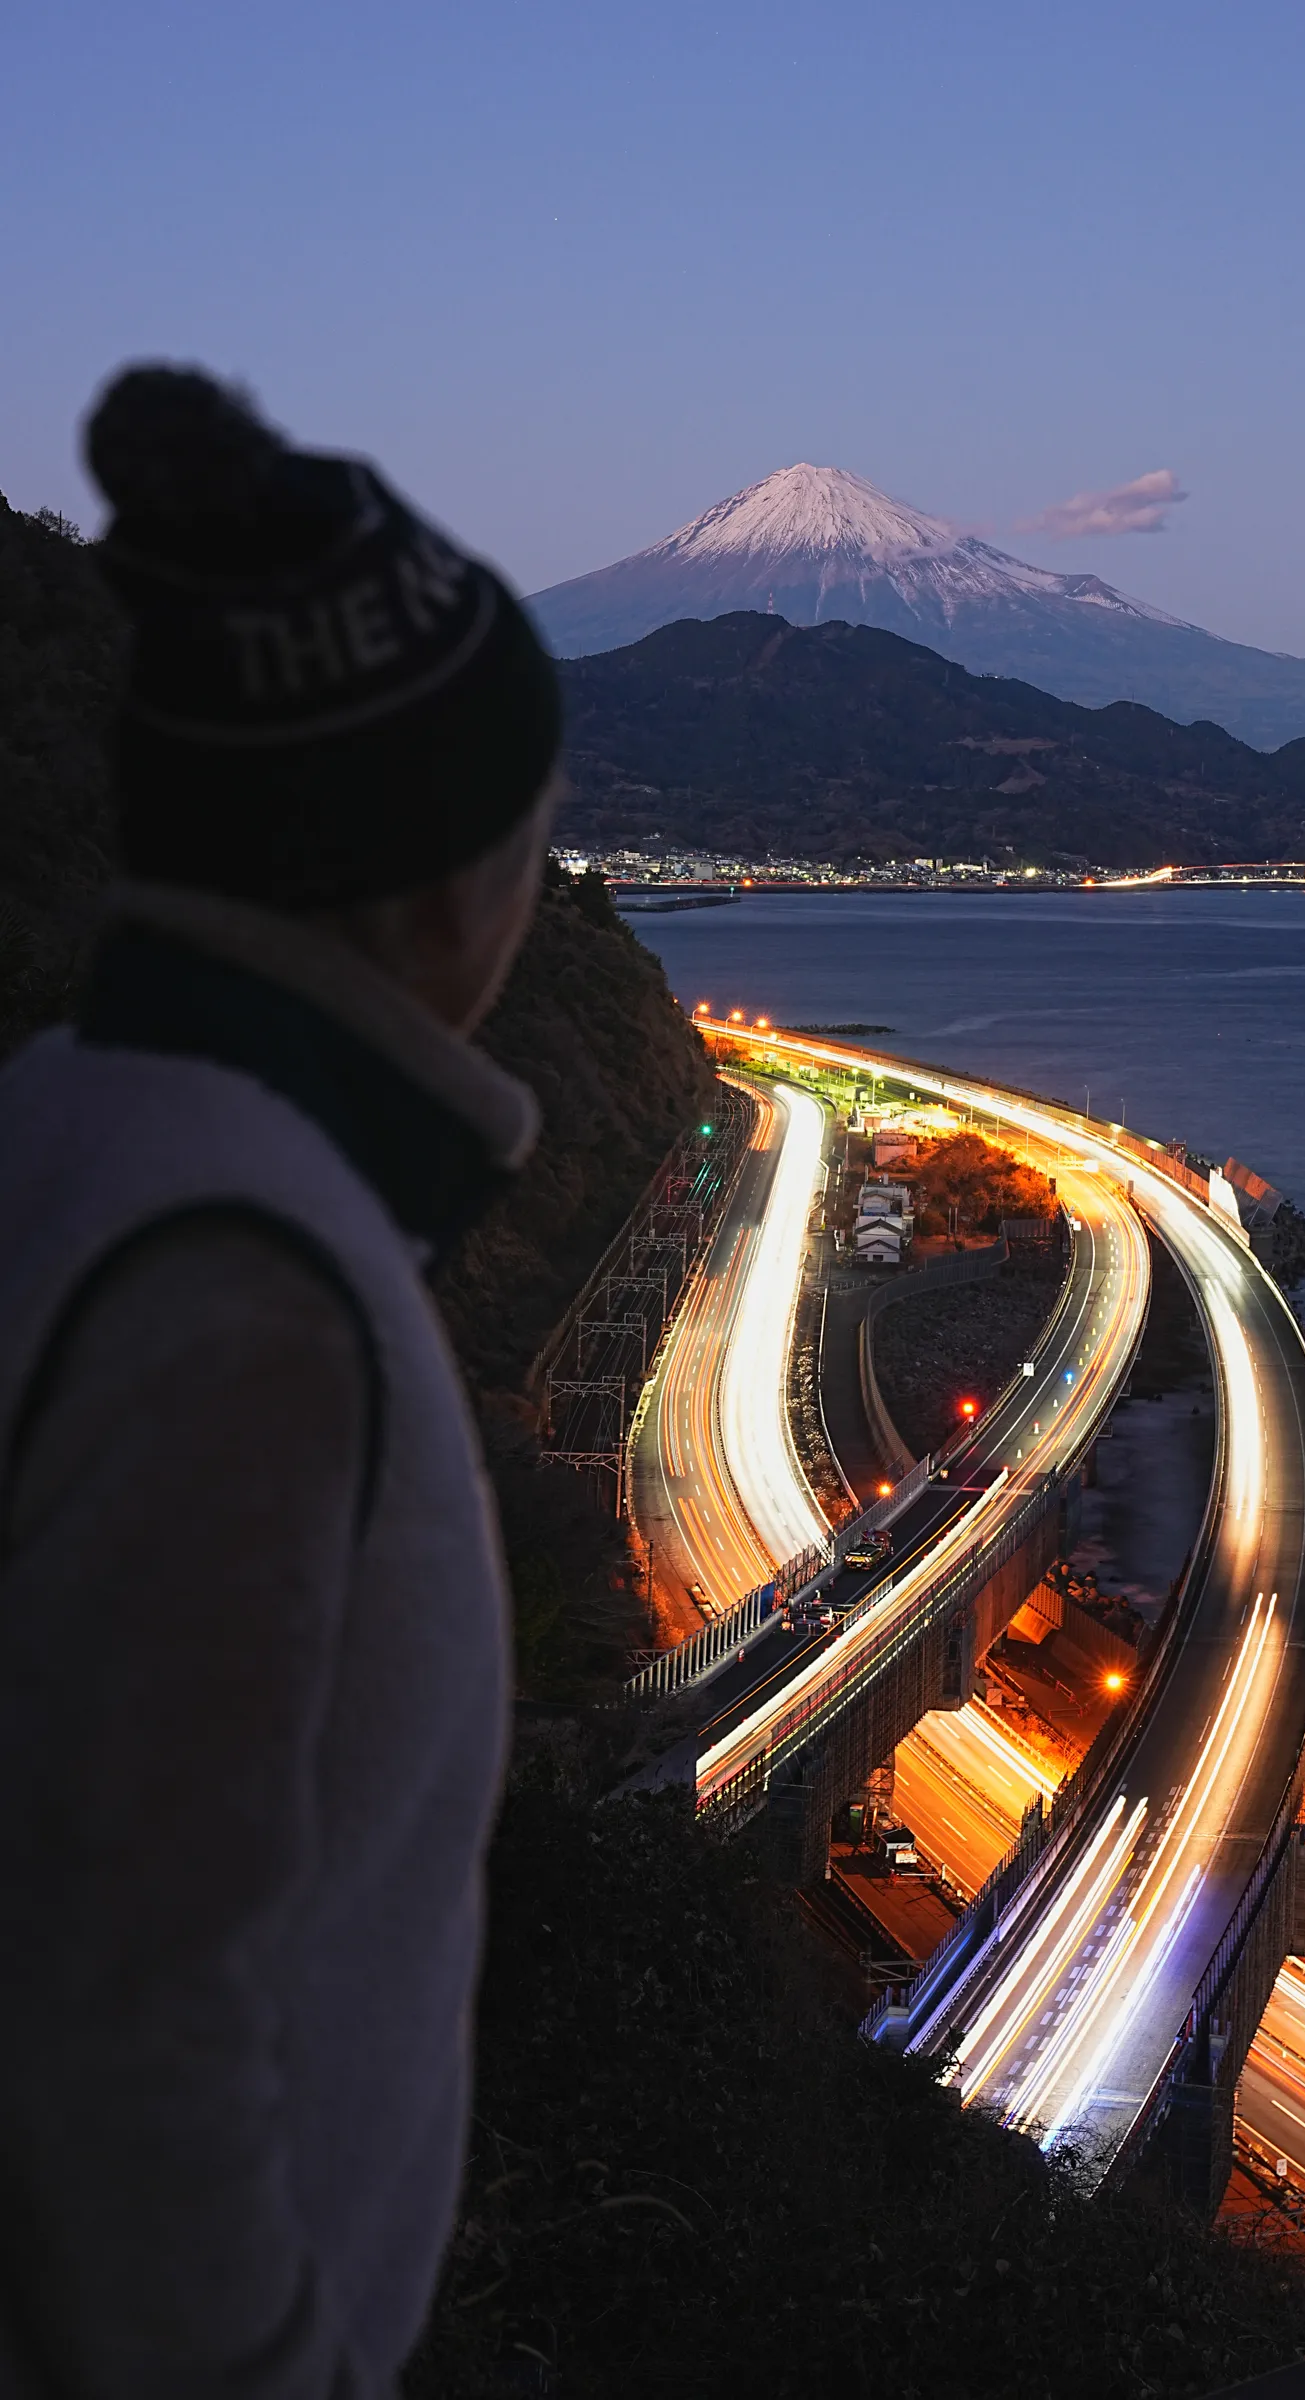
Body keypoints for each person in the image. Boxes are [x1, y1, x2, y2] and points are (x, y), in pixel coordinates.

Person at [0, 366, 564, 2396]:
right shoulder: (247, 1285)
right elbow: (119, 2005)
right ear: (430, 888)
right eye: (528, 828)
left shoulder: (74, 1117)